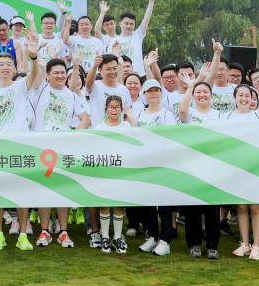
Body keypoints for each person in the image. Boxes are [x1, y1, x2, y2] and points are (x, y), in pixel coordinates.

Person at [28, 34, 88, 249]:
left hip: (63, 149)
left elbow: (85, 118)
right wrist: (34, 55)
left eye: (63, 72)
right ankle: (44, 230)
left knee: (63, 190)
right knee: (44, 190)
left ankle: (63, 232)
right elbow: (34, 71)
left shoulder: (71, 95)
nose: (61, 75)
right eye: (56, 72)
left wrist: (75, 135)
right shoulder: (40, 89)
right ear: (48, 75)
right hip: (42, 149)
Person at [0, 53, 35, 251]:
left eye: (9, 64)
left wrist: (33, 57)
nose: (5, 67)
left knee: (22, 192)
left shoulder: (20, 87)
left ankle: (23, 235)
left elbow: (35, 74)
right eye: (1, 64)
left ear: (14, 69)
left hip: (20, 146)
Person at [176, 64, 224, 258]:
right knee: (193, 209)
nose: (202, 95)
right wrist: (190, 86)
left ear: (211, 95)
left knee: (212, 210)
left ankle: (212, 245)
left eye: (205, 92)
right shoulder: (190, 114)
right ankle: (194, 244)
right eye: (198, 92)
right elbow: (182, 110)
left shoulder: (220, 116)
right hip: (192, 167)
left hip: (214, 168)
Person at [131, 79, 175, 257]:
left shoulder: (167, 115)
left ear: (161, 93)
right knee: (147, 203)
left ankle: (166, 241)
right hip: (144, 165)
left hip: (163, 165)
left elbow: (170, 139)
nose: (154, 93)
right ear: (144, 94)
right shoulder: (138, 114)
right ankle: (153, 236)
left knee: (163, 205)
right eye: (150, 91)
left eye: (156, 90)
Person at [229, 83, 259, 260]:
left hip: (256, 167)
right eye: (241, 95)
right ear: (234, 97)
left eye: (248, 96)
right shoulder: (226, 117)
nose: (244, 99)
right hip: (235, 168)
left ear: (252, 99)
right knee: (241, 207)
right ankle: (244, 243)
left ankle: (256, 246)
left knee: (256, 207)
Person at [94, 95, 131, 253]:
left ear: (121, 109)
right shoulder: (99, 128)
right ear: (106, 109)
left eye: (117, 107)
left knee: (118, 205)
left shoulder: (127, 126)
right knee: (104, 205)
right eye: (111, 107)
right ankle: (104, 237)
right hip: (105, 172)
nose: (114, 110)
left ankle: (117, 237)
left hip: (122, 172)